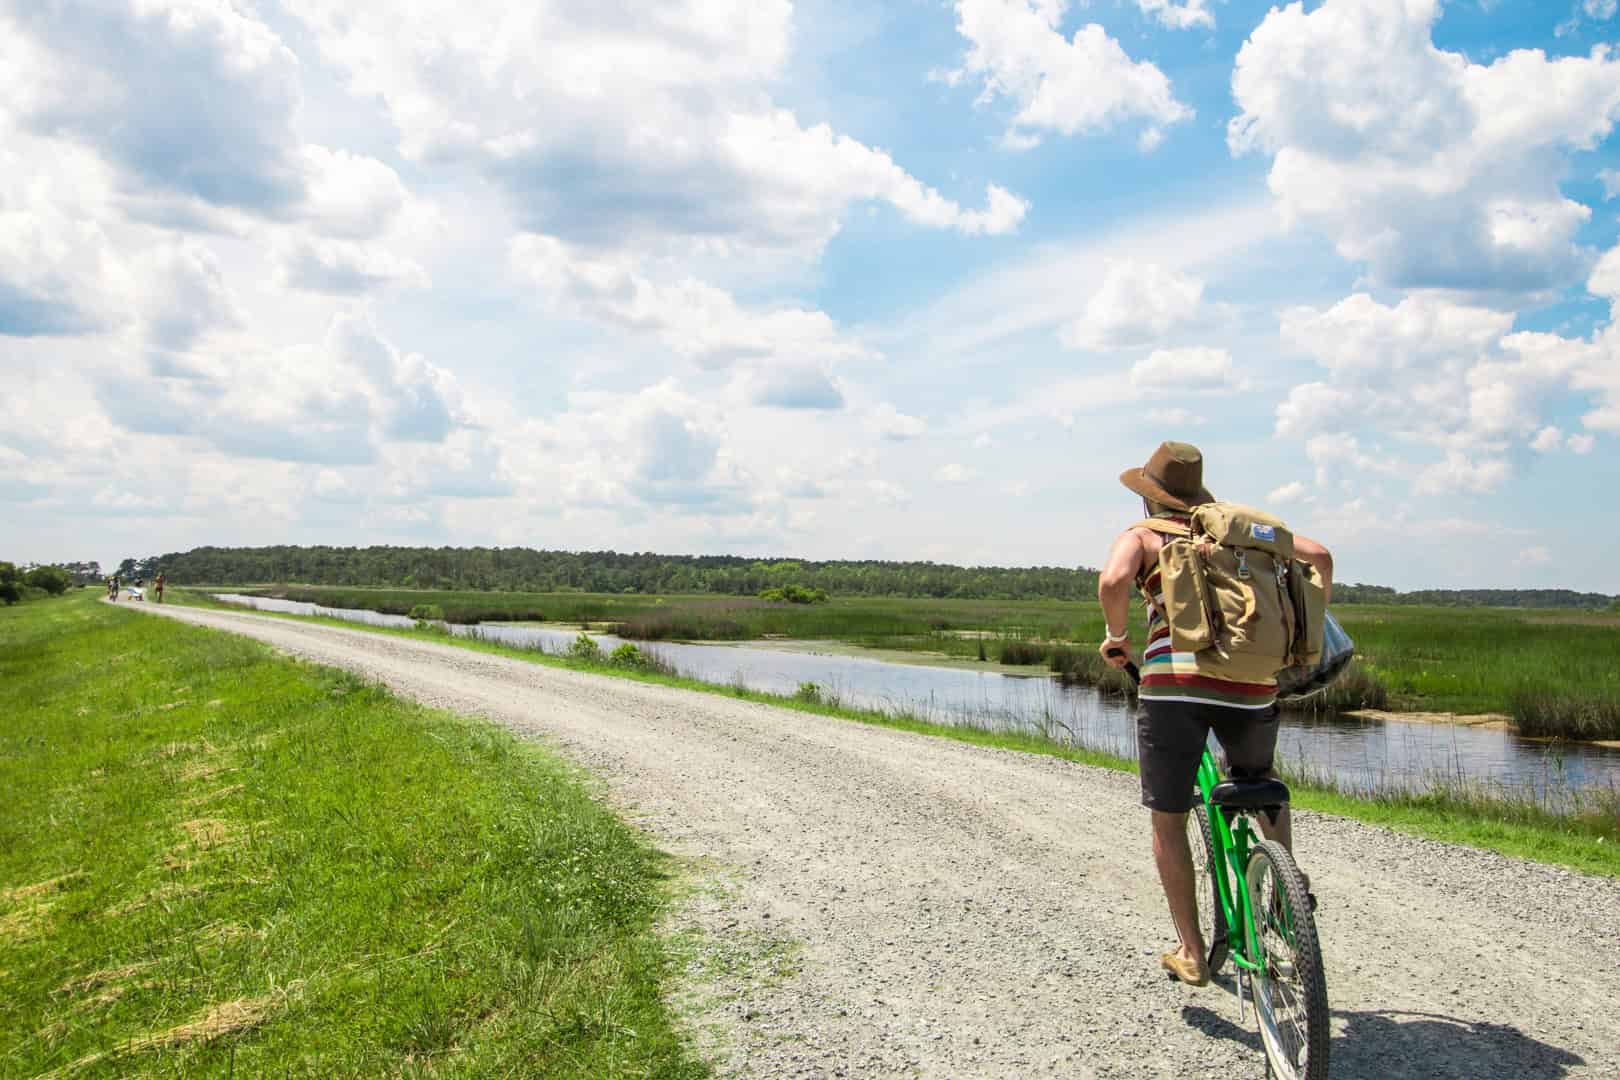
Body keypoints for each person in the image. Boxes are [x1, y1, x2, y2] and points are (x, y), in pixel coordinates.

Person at [1097, 441, 1333, 987]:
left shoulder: (1145, 536)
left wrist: (1116, 637)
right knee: (1263, 784)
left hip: (1174, 686)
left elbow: (1113, 582)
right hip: (1253, 685)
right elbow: (1319, 557)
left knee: (1168, 815)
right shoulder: (1242, 535)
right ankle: (1282, 902)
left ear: (1148, 498)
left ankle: (1191, 950)